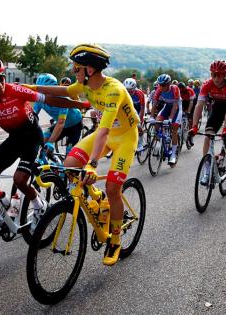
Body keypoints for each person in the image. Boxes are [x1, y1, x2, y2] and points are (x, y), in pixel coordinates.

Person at [24, 43, 140, 266]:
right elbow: (63, 91)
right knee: (70, 164)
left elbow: (103, 131)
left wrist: (93, 164)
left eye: (76, 67)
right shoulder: (85, 85)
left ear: (90, 69)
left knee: (113, 188)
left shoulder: (113, 90)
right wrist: (30, 88)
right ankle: (97, 199)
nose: (73, 71)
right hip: (106, 133)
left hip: (124, 136)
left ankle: (115, 240)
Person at [0, 57, 89, 233]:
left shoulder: (15, 90)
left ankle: (39, 204)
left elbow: (51, 100)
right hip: (15, 138)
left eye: (1, 77)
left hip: (32, 138)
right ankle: (1, 208)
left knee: (19, 180)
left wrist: (81, 104)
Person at [188, 60, 226, 182]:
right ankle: (206, 170)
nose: (216, 78)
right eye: (213, 75)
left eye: (219, 75)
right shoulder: (207, 84)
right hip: (218, 107)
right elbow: (199, 106)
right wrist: (194, 126)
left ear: (225, 75)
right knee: (208, 135)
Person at [33, 73, 83, 157]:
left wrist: (51, 141)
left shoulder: (62, 99)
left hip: (75, 125)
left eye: (45, 91)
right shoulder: (39, 99)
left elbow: (60, 122)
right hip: (63, 125)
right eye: (40, 90)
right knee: (43, 146)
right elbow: (32, 117)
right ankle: (52, 159)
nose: (42, 94)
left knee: (69, 154)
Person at [149, 74, 182, 166]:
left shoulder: (175, 89)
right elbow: (154, 104)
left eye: (164, 85)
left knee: (174, 129)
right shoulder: (159, 90)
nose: (161, 87)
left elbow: (175, 106)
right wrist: (151, 117)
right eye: (160, 84)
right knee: (157, 122)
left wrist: (171, 119)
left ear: (169, 84)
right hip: (167, 107)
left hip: (177, 108)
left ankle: (173, 155)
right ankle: (162, 140)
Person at [123, 78, 146, 151]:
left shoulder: (139, 93)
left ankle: (140, 144)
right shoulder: (123, 93)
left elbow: (142, 108)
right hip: (130, 109)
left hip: (139, 109)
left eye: (131, 90)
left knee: (138, 126)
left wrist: (139, 120)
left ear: (134, 88)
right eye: (127, 90)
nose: (129, 92)